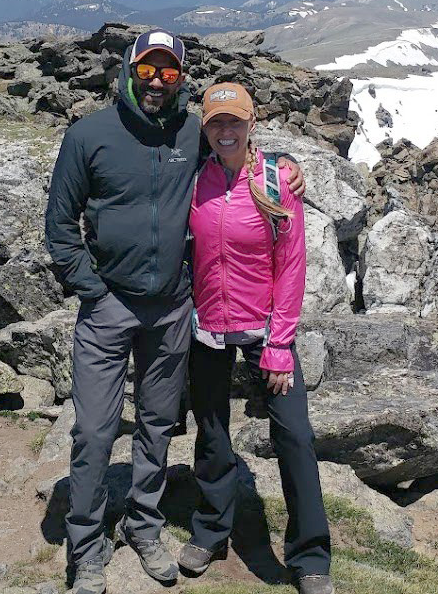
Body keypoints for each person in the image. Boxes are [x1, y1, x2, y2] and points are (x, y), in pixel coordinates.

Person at [44, 30, 304, 594]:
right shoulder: (88, 135)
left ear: (181, 77)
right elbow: (60, 225)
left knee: (158, 425)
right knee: (94, 431)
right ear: (128, 69)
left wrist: (285, 163)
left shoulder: (192, 131)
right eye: (147, 70)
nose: (157, 82)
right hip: (108, 307)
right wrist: (91, 289)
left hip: (171, 311)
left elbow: (239, 150)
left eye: (168, 72)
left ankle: (144, 526)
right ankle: (85, 549)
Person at [178, 82, 333, 594]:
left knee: (294, 436)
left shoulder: (276, 180)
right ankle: (210, 531)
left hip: (266, 328)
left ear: (251, 124)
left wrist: (280, 344)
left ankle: (310, 557)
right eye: (216, 122)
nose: (226, 131)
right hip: (208, 325)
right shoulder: (193, 178)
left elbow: (292, 265)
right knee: (212, 431)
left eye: (235, 122)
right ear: (205, 128)